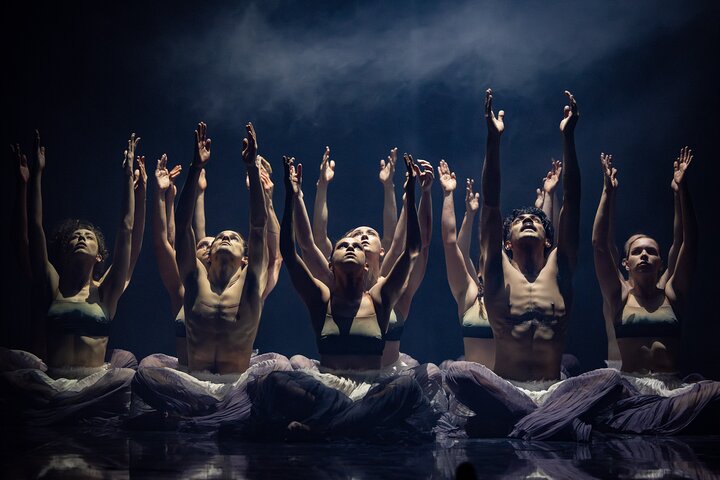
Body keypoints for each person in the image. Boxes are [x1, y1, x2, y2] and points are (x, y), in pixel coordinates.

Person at [443, 90, 625, 442]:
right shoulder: (496, 274)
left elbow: (572, 201)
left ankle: (534, 423)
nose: (528, 220)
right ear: (507, 241)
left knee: (610, 380)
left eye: (536, 220)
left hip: (553, 391)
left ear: (548, 240)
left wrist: (568, 136)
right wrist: (492, 141)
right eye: (521, 220)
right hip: (505, 389)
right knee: (460, 372)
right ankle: (547, 424)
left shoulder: (560, 270)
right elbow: (492, 205)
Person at [249, 154, 433, 440]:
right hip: (328, 386)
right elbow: (295, 248)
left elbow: (410, 249)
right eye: (343, 244)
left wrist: (411, 194)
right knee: (273, 381)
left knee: (407, 389)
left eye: (358, 245)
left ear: (369, 262)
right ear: (330, 263)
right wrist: (290, 193)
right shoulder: (321, 298)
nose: (351, 246)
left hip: (371, 387)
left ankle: (324, 429)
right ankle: (350, 424)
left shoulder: (381, 297)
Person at [131, 122, 291, 430]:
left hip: (238, 386)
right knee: (145, 374)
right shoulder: (193, 282)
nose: (224, 238)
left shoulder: (251, 282)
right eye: (220, 237)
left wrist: (252, 171)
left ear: (246, 257)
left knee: (282, 375)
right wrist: (195, 167)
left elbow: (258, 227)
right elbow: (183, 222)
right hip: (194, 384)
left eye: (232, 237)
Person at [1, 131, 140, 426]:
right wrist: (32, 178)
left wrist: (128, 177)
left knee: (128, 376)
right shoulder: (53, 286)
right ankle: (58, 414)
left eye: (88, 236)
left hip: (94, 384)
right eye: (75, 236)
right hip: (52, 382)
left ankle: (69, 414)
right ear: (64, 252)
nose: (80, 237)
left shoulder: (105, 292)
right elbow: (34, 229)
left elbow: (127, 231)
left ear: (99, 255)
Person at [591, 148, 720, 435]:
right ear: (626, 263)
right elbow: (601, 246)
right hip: (628, 389)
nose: (645, 256)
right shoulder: (619, 296)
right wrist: (607, 193)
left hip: (671, 388)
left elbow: (688, 242)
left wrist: (681, 191)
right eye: (637, 252)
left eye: (652, 252)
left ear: (661, 262)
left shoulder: (672, 293)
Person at [299, 146, 433, 368]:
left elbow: (407, 242)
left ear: (381, 249)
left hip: (388, 380)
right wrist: (321, 186)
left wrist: (416, 193)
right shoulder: (334, 285)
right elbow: (315, 240)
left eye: (370, 234)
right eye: (355, 235)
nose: (361, 237)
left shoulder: (393, 289)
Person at [439, 161, 494, 369]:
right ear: (478, 271)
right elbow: (453, 246)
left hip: (513, 385)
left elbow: (548, 252)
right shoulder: (470, 294)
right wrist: (450, 198)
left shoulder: (516, 293)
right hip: (474, 386)